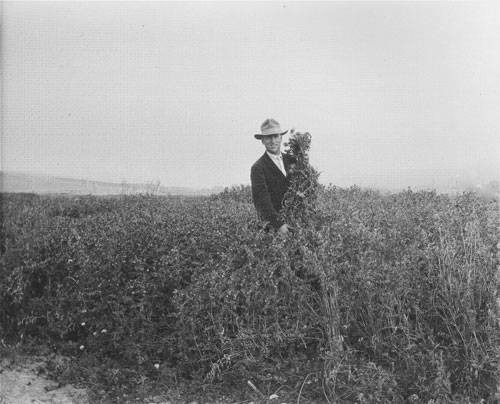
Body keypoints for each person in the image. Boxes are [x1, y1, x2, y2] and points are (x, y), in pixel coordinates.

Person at [250, 118, 295, 234]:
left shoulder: (292, 160)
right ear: (262, 141)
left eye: (276, 136)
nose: (273, 141)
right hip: (274, 228)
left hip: (296, 222)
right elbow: (262, 201)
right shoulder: (258, 168)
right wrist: (278, 224)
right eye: (268, 137)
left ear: (281, 138)